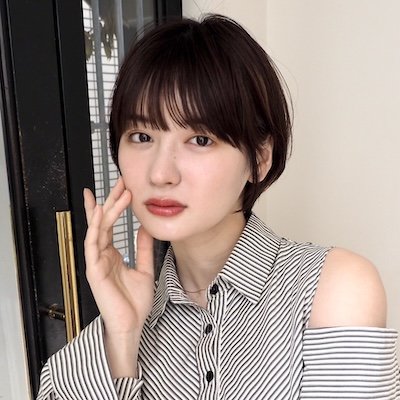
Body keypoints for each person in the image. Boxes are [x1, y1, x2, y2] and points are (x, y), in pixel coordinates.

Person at [37, 14, 399, 400]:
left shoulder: (333, 288)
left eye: (201, 140)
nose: (160, 173)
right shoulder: (110, 335)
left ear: (259, 159)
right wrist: (121, 340)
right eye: (141, 136)